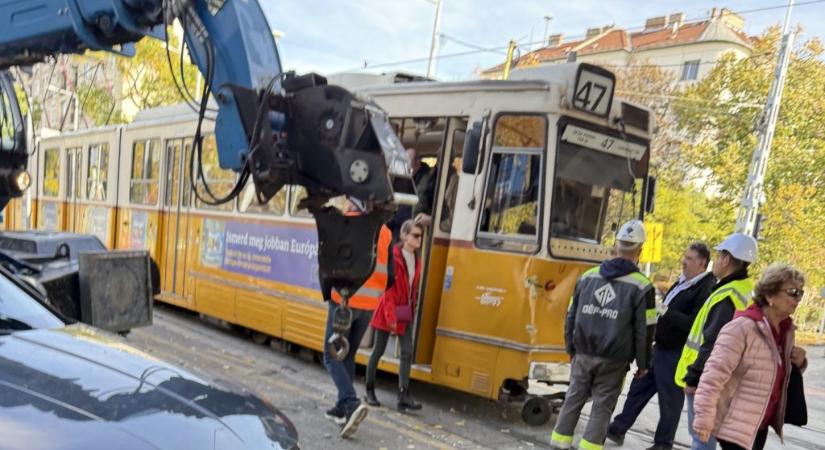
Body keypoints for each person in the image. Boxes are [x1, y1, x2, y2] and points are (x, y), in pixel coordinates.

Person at [550, 220, 656, 450]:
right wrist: (643, 363)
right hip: (614, 360)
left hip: (583, 352)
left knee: (573, 398)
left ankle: (559, 443)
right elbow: (645, 330)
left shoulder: (587, 277)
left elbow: (570, 316)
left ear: (616, 246)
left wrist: (571, 348)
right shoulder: (642, 286)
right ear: (639, 251)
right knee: (602, 406)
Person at [607, 243, 716, 450]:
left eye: (689, 258)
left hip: (677, 352)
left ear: (702, 263)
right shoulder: (683, 282)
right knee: (638, 388)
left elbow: (696, 322)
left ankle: (663, 444)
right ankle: (618, 428)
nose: (684, 261)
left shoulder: (705, 287)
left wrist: (666, 312)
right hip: (660, 347)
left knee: (670, 401)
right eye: (684, 256)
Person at [693, 264, 808, 450]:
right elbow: (712, 377)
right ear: (770, 295)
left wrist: (799, 362)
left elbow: (776, 373)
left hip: (758, 425)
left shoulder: (785, 331)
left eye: (800, 293)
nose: (798, 299)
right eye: (793, 292)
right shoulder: (742, 328)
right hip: (735, 424)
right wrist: (704, 418)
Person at [673, 233, 757, 450]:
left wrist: (694, 376)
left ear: (727, 259)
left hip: (708, 378)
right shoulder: (747, 291)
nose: (716, 261)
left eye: (719, 256)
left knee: (701, 436)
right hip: (729, 377)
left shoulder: (726, 295)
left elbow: (713, 342)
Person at [322, 198, 394, 438]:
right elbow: (390, 276)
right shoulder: (384, 231)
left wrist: (329, 292)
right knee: (348, 354)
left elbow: (327, 259)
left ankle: (352, 403)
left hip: (344, 302)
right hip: (369, 304)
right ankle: (342, 408)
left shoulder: (346, 223)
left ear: (356, 202)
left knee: (331, 356)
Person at [364, 219, 423, 411]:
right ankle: (369, 390)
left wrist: (412, 308)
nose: (419, 239)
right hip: (388, 311)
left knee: (407, 352)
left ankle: (403, 395)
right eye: (415, 235)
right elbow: (388, 290)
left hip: (405, 312)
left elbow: (412, 288)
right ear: (405, 236)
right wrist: (391, 318)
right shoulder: (395, 257)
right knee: (378, 350)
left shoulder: (417, 259)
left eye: (420, 236)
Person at [389, 148, 431, 240]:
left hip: (412, 230)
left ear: (417, 163)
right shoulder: (401, 177)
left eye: (407, 161)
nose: (404, 165)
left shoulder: (428, 181)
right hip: (396, 227)